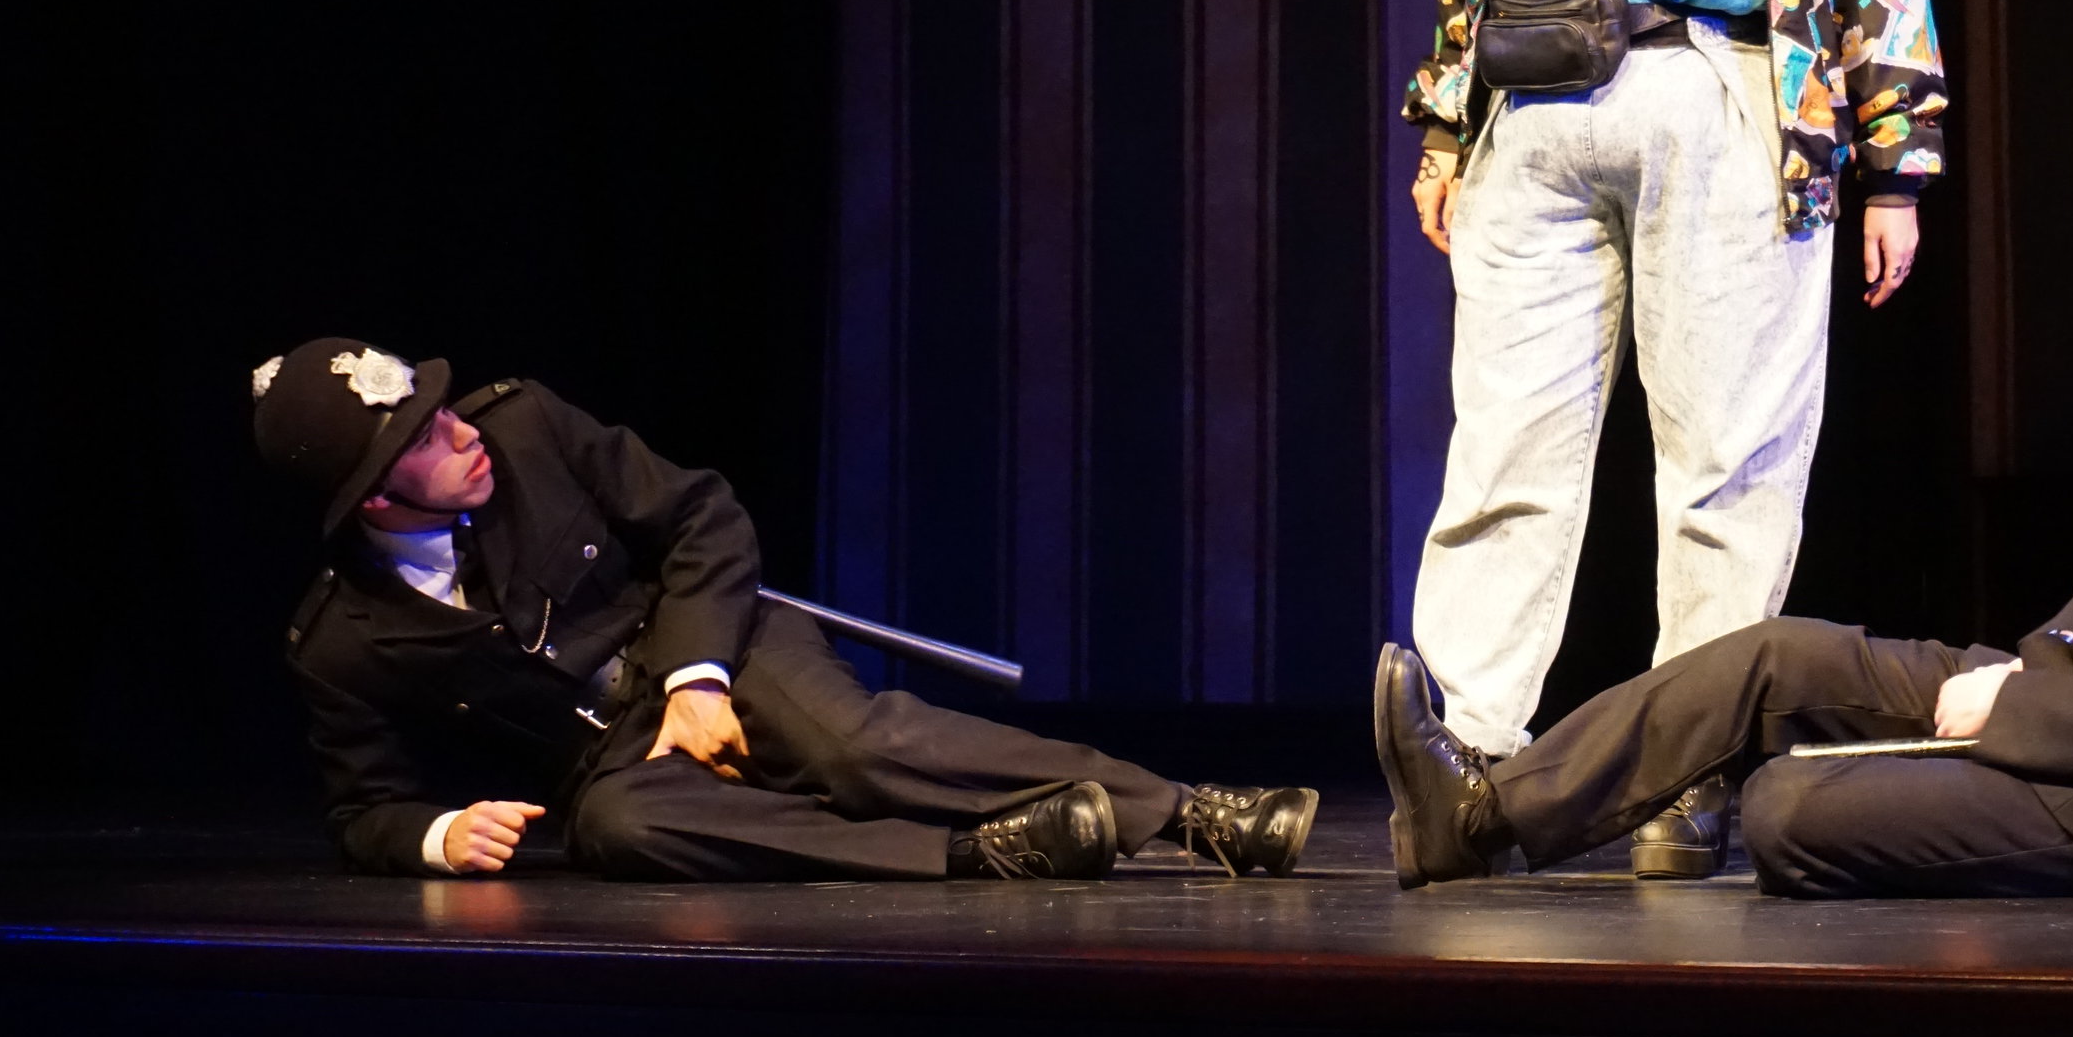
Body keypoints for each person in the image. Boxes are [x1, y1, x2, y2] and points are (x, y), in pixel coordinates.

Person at [1375, 123, 2073, 899]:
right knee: (1770, 658)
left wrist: (2013, 709)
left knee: (1790, 809)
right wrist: (2024, 679)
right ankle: (1475, 816)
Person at [1400, 0, 1947, 880]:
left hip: (1724, 102)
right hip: (1540, 115)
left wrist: (1897, 169)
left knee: (1727, 458)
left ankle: (1684, 773)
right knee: (1508, 442)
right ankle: (1464, 757)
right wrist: (1444, 127)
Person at [252, 337, 1318, 882]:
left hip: (716, 643)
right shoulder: (340, 642)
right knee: (621, 829)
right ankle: (984, 851)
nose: (461, 432)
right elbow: (363, 810)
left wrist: (697, 677)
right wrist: (440, 834)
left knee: (853, 746)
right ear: (376, 495)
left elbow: (702, 518)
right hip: (620, 760)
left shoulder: (526, 424)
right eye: (426, 438)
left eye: (442, 408)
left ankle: (1188, 812)